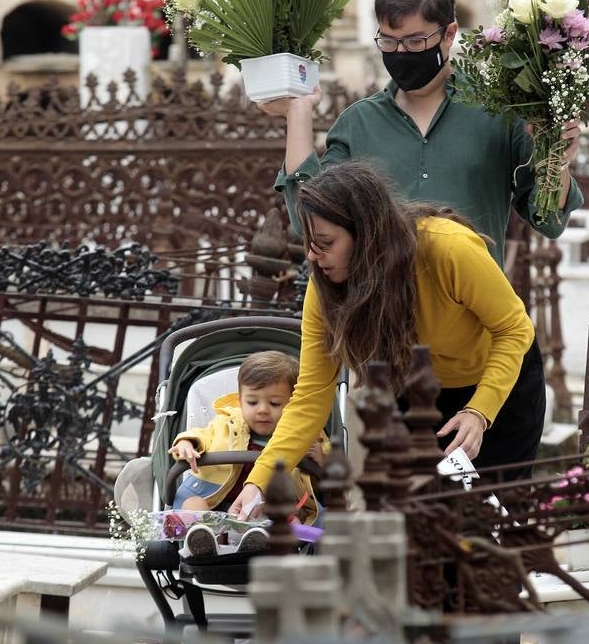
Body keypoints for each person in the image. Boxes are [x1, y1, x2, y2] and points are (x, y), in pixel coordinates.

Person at [228, 161, 543, 519]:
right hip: (419, 397)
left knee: (496, 524)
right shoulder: (325, 289)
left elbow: (515, 329)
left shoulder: (448, 248)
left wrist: (478, 411)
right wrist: (258, 482)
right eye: (310, 243)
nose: (313, 256)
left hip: (499, 391)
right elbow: (311, 396)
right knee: (429, 529)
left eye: (326, 243)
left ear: (367, 235)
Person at [258, 0, 584, 267]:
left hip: (474, 320)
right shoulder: (358, 123)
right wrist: (298, 114)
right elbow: (311, 223)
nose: (400, 53)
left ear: (449, 34)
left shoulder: (500, 114)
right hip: (382, 321)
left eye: (415, 41)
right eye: (388, 41)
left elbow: (549, 221)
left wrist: (558, 161)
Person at [167, 351, 325, 555]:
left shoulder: (302, 436)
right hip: (217, 506)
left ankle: (259, 543)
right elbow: (202, 435)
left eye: (274, 403)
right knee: (192, 504)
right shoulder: (226, 424)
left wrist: (321, 460)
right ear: (240, 401)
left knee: (295, 521)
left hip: (271, 512)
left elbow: (325, 482)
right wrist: (186, 443)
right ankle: (206, 541)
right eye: (252, 402)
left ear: (293, 406)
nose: (262, 410)